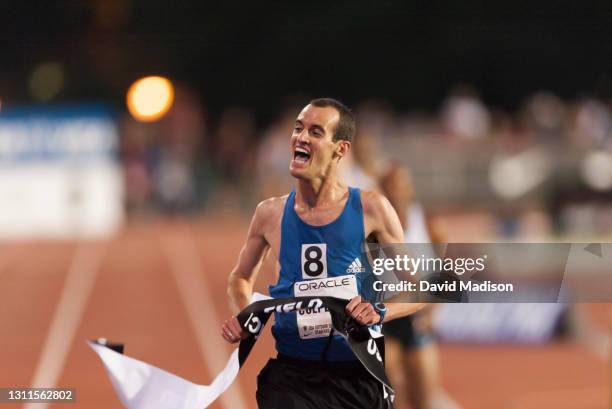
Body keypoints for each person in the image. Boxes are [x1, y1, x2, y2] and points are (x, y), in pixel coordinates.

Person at [220, 98, 424, 409]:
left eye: (315, 132)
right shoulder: (269, 214)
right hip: (292, 377)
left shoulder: (371, 208)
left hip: (358, 374)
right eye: (298, 129)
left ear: (340, 149)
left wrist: (379, 311)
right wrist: (245, 313)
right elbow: (240, 278)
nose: (301, 137)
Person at [380, 165, 462, 409]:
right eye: (390, 185)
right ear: (382, 190)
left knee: (422, 400)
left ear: (409, 188)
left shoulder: (428, 223)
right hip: (386, 317)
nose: (396, 191)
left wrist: (435, 310)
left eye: (400, 184)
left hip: (417, 318)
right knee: (386, 395)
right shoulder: (373, 226)